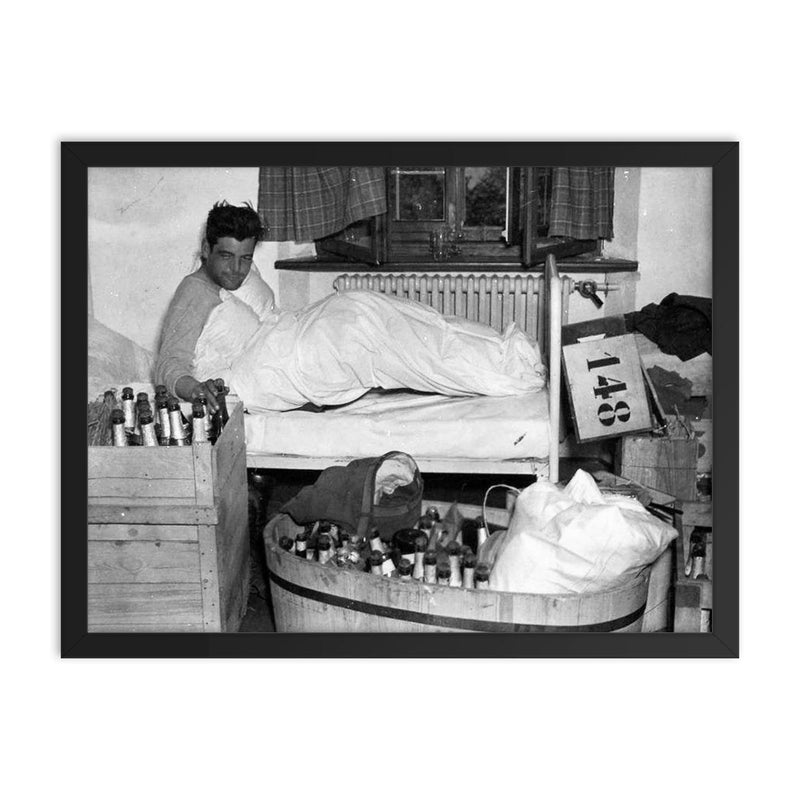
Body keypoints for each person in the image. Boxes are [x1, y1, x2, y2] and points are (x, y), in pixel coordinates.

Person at [154, 201, 268, 412]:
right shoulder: (194, 292)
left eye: (246, 258)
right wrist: (195, 390)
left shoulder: (242, 276)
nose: (236, 269)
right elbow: (168, 362)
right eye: (226, 256)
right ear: (206, 249)